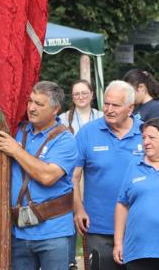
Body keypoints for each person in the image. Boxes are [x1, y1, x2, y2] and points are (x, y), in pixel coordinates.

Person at [0, 81, 78, 270]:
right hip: (20, 232)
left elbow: (47, 176)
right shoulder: (18, 129)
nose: (31, 108)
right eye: (30, 101)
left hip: (54, 231)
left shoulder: (65, 139)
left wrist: (16, 150)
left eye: (39, 104)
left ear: (55, 109)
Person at [73, 80, 144, 270]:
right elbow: (73, 177)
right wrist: (78, 209)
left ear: (130, 109)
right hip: (98, 228)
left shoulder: (147, 134)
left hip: (139, 228)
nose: (109, 109)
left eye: (116, 105)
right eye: (106, 103)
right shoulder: (87, 132)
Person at [60, 79, 103, 270]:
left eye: (84, 93)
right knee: (71, 213)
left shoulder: (102, 116)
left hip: (94, 172)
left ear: (92, 94)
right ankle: (70, 260)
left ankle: (94, 255)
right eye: (76, 94)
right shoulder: (63, 119)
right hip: (71, 172)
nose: (80, 97)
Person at [113, 117, 159, 270]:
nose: (146, 142)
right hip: (138, 251)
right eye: (144, 137)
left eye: (151, 137)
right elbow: (122, 204)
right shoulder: (134, 165)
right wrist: (118, 242)